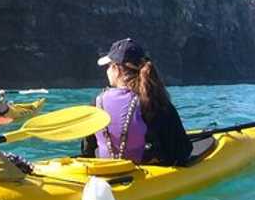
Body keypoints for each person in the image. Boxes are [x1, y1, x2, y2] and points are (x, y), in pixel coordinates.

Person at [81, 38, 192, 166]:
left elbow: (86, 151)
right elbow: (183, 151)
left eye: (108, 66)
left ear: (116, 69)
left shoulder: (96, 103)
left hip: (105, 174)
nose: (107, 71)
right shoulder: (156, 103)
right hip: (149, 176)